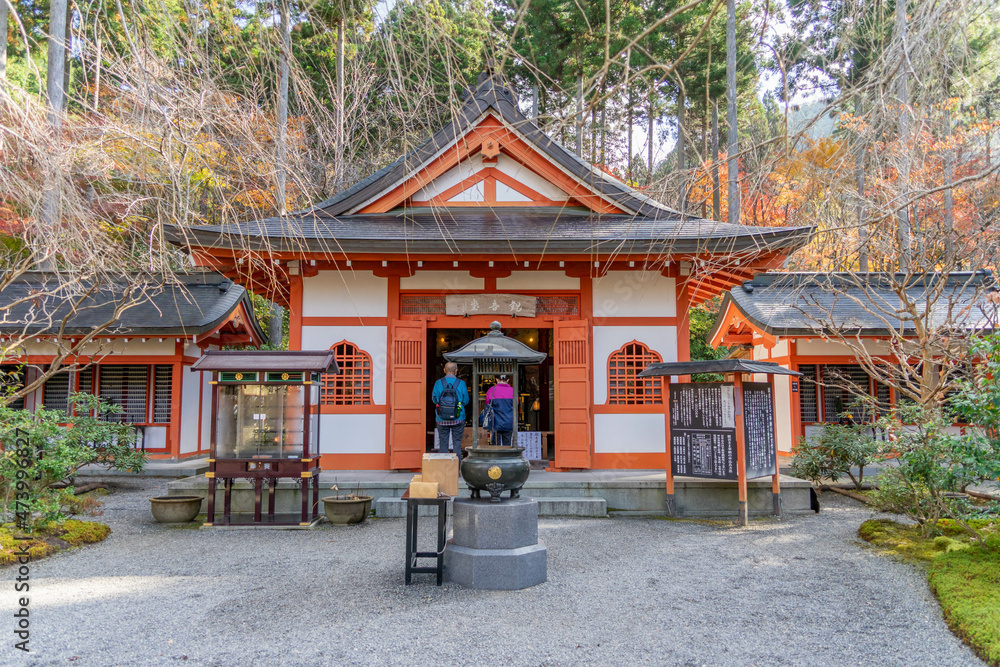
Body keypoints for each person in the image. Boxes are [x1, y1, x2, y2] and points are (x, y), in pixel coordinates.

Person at [432, 362, 470, 455]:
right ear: (456, 371)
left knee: (443, 443)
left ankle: (445, 463)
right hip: (458, 417)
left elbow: (434, 400)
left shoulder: (438, 383)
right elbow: (466, 400)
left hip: (442, 418)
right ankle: (457, 463)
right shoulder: (461, 383)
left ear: (444, 370)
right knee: (457, 443)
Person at [482, 374, 515, 447]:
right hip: (509, 422)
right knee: (507, 445)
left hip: (495, 422)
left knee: (496, 446)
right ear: (508, 380)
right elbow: (516, 405)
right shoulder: (513, 391)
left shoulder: (491, 390)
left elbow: (487, 405)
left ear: (496, 379)